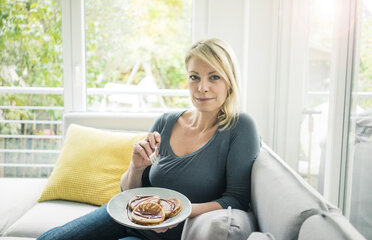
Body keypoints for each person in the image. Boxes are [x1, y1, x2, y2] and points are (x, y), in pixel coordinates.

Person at [37, 38, 261, 240]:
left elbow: (236, 200)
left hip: (161, 234)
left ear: (229, 82)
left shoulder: (240, 127)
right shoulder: (166, 121)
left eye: (214, 77)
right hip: (127, 216)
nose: (202, 88)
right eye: (194, 77)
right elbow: (129, 192)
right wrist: (135, 166)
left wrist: (174, 213)